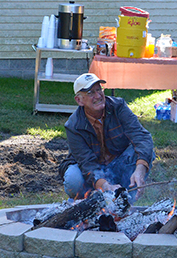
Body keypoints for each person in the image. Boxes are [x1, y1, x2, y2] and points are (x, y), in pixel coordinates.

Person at [59, 73, 155, 201]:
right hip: (91, 172)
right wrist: (104, 185)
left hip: (118, 165)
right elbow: (86, 162)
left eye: (99, 89)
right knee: (73, 179)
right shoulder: (73, 126)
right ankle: (88, 200)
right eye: (91, 93)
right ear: (79, 100)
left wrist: (140, 170)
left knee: (144, 152)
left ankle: (124, 199)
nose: (98, 96)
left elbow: (141, 136)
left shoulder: (118, 107)